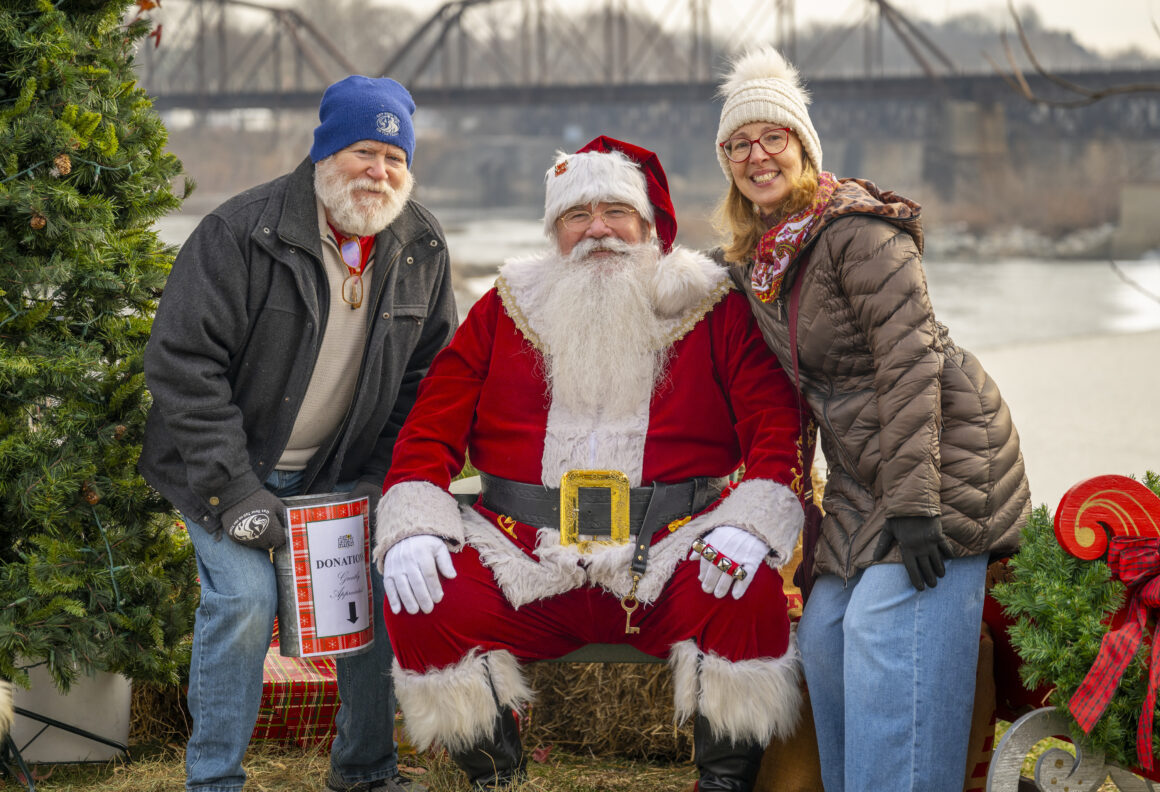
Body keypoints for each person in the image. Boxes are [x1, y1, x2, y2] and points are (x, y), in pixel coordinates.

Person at [372, 136, 810, 792]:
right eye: (578, 215)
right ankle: (499, 777)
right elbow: (429, 430)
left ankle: (723, 784)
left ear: (648, 224)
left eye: (615, 211)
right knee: (422, 599)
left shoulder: (711, 308)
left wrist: (751, 522)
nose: (598, 229)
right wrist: (411, 520)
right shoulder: (504, 309)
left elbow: (778, 429)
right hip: (524, 558)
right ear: (554, 231)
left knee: (744, 592)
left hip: (667, 553)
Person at [711, 47, 1032, 792]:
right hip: (865, 474)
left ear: (803, 145)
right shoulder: (760, 260)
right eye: (740, 143)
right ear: (725, 159)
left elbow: (911, 363)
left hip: (946, 463)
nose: (759, 155)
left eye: (774, 137)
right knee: (824, 639)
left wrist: (918, 506)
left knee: (887, 636)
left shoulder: (858, 231)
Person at [140, 75, 457, 792]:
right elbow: (184, 367)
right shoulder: (237, 233)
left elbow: (428, 388)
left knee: (377, 597)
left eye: (394, 158)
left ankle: (366, 774)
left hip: (340, 475)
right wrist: (237, 492)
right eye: (362, 152)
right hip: (223, 470)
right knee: (245, 604)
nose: (378, 172)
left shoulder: (422, 247)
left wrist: (383, 487)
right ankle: (215, 780)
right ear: (323, 153)